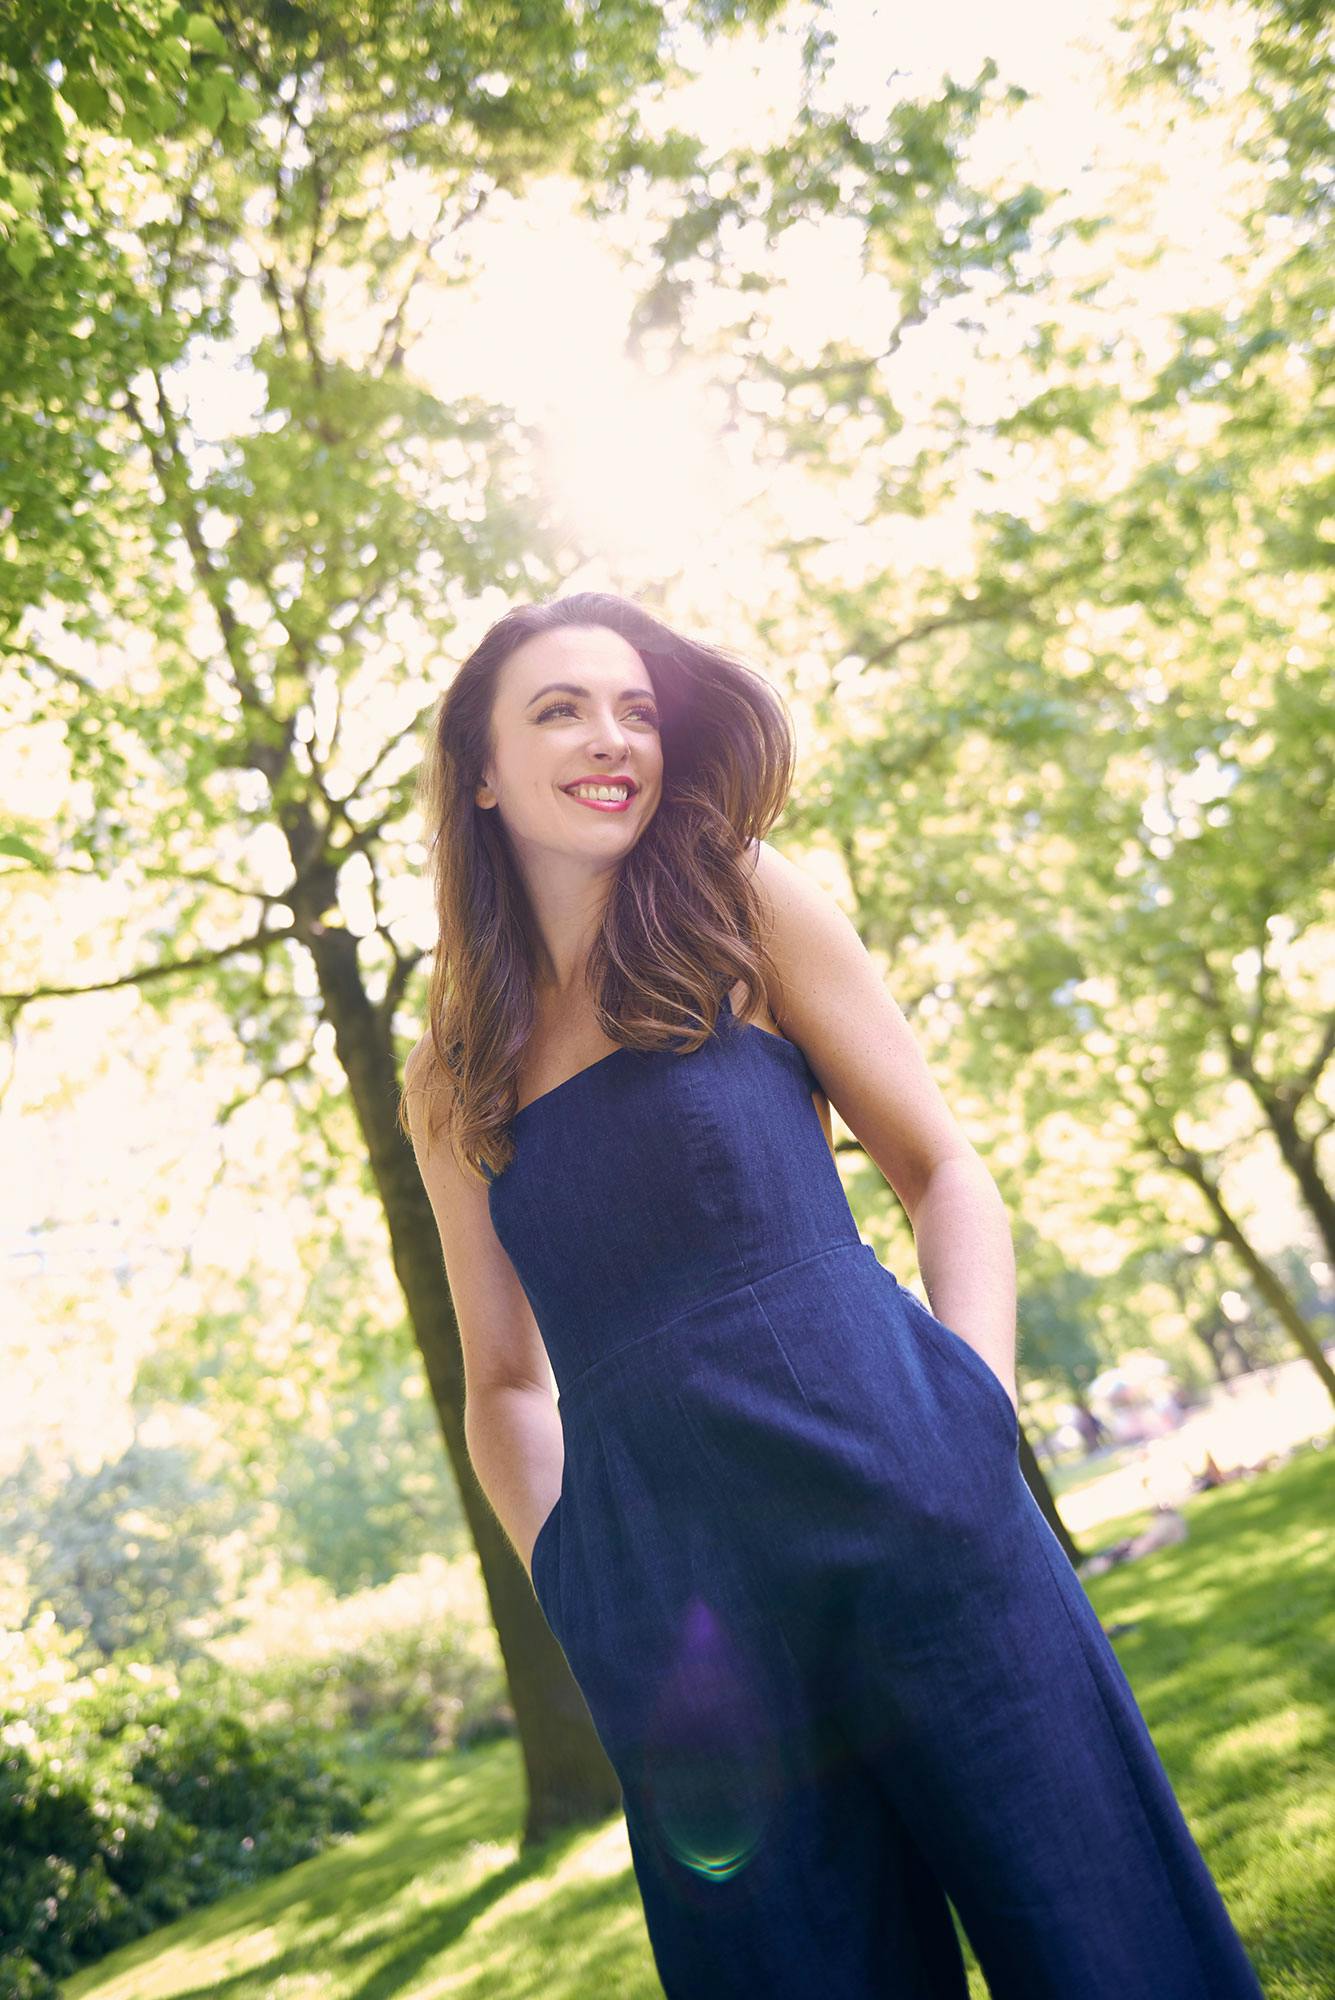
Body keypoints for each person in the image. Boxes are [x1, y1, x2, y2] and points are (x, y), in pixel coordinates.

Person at [400, 591, 1265, 1999]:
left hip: (913, 1503)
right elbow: (502, 1381)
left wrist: (971, 1417)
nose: (612, 737)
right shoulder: (451, 1073)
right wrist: (578, 1577)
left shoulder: (737, 902)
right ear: (482, 772)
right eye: (560, 709)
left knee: (1104, 1940)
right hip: (680, 1632)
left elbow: (943, 1171)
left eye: (635, 710)